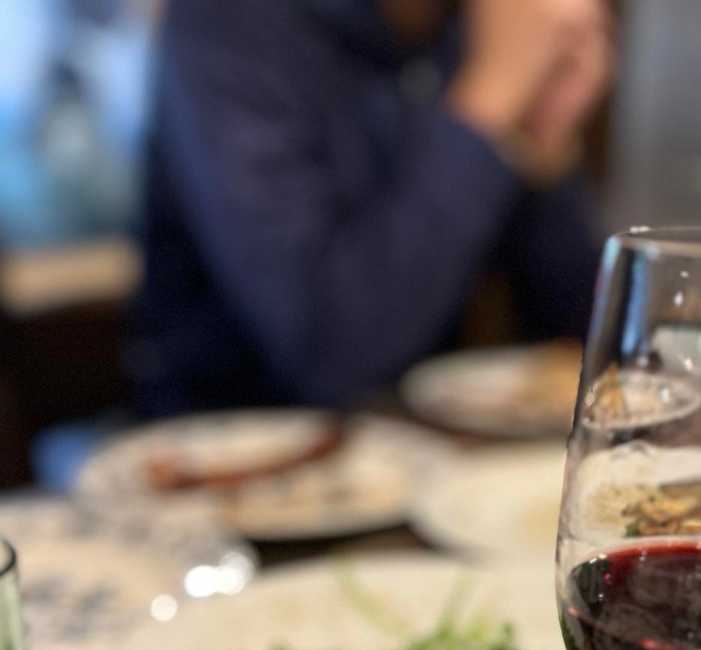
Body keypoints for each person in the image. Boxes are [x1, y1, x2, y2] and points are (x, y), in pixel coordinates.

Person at [131, 0, 613, 416]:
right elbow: (330, 353)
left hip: (433, 453)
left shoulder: (473, 26)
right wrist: (490, 96)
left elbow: (576, 341)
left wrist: (548, 134)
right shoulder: (228, 23)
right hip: (219, 454)